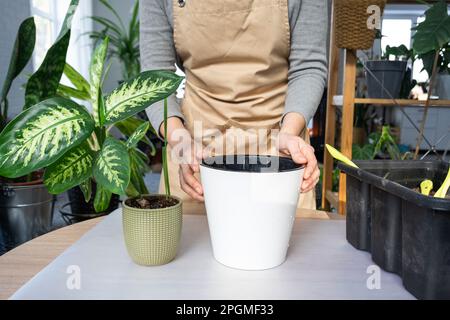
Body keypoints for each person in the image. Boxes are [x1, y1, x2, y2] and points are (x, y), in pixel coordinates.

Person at [140, 0, 328, 211]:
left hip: (278, 147)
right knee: (193, 242)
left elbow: (308, 67)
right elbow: (155, 77)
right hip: (194, 151)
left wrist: (290, 132)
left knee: (283, 242)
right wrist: (180, 140)